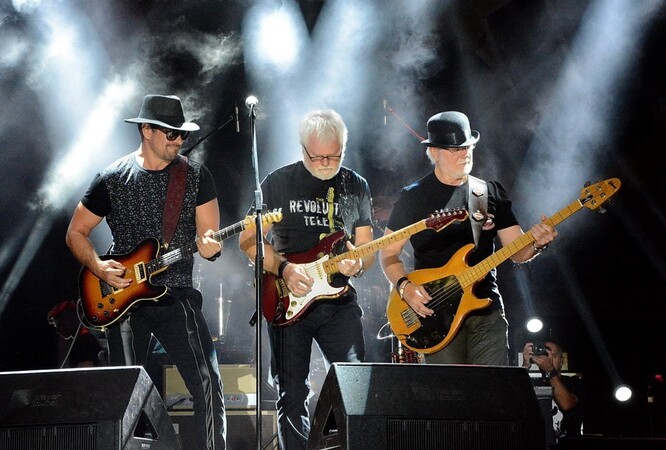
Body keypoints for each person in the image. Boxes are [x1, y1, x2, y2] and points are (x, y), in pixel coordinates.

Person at [65, 94, 226, 450]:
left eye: (182, 134)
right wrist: (97, 266)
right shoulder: (112, 177)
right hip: (122, 299)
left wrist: (211, 247)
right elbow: (76, 232)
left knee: (208, 384)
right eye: (171, 133)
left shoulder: (196, 176)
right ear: (147, 130)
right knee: (123, 392)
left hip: (177, 295)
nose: (178, 140)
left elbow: (209, 237)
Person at [238, 108, 375, 450]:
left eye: (335, 155)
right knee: (292, 392)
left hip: (338, 301)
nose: (327, 163)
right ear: (302, 149)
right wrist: (284, 268)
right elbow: (248, 241)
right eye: (318, 156)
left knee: (354, 385)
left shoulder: (356, 185)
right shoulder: (277, 182)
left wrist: (357, 264)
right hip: (287, 296)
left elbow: (367, 249)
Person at [379, 111, 558, 365]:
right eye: (456, 149)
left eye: (468, 147)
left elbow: (518, 251)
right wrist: (405, 287)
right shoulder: (413, 197)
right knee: (450, 388)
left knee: (493, 386)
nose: (465, 154)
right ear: (435, 152)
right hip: (435, 312)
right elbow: (388, 252)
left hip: (485, 306)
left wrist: (538, 244)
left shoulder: (489, 192)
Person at [522, 340, 585, 440]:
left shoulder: (574, 381)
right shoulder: (531, 384)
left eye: (553, 356)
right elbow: (513, 404)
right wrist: (524, 367)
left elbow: (567, 405)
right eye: (545, 354)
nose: (548, 359)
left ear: (562, 360)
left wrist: (550, 370)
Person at [47, 299, 104, 368]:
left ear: (69, 320)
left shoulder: (84, 342)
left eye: (59, 324)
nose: (57, 330)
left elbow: (86, 372)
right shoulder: (84, 340)